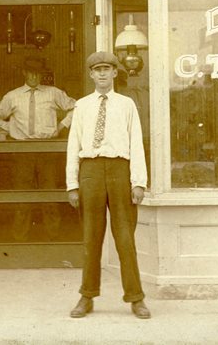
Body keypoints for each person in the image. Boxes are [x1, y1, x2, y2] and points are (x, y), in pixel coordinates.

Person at [65, 51, 150, 320]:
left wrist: (139, 182)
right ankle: (87, 295)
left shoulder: (126, 105)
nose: (102, 73)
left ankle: (136, 298)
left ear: (115, 73)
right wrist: (72, 184)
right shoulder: (82, 106)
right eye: (97, 69)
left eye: (107, 69)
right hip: (90, 171)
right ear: (91, 74)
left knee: (125, 238)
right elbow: (73, 145)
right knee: (92, 237)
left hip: (119, 170)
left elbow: (136, 143)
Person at [0, 56, 76, 241]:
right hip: (23, 151)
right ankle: (20, 237)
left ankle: (53, 236)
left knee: (49, 191)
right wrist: (12, 129)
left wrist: (61, 127)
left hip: (47, 150)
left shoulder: (53, 93)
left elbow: (76, 107)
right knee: (23, 193)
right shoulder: (12, 96)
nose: (34, 77)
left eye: (38, 73)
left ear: (41, 75)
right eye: (31, 72)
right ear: (24, 73)